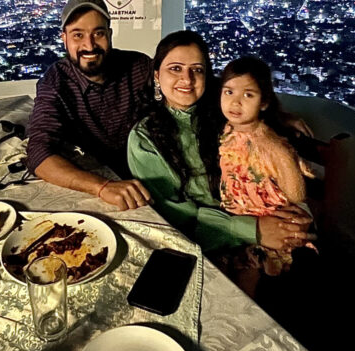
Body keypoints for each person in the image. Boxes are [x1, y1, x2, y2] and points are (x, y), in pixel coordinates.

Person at [127, 31, 312, 286]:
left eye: (197, 70)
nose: (187, 79)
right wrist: (253, 229)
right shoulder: (144, 138)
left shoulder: (225, 116)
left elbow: (266, 162)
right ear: (157, 76)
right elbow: (174, 214)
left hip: (260, 223)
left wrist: (280, 118)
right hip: (205, 239)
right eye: (175, 69)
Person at [26, 0, 154, 210]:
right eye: (78, 35)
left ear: (110, 35)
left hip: (149, 168)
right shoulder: (55, 83)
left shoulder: (138, 66)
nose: (89, 44)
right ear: (64, 38)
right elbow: (38, 153)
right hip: (96, 173)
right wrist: (102, 187)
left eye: (99, 33)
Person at [218, 56, 316, 292]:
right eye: (228, 92)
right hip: (237, 218)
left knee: (245, 279)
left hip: (270, 223)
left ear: (264, 102)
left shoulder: (272, 145)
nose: (236, 102)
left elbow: (296, 193)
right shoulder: (228, 130)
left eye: (248, 95)